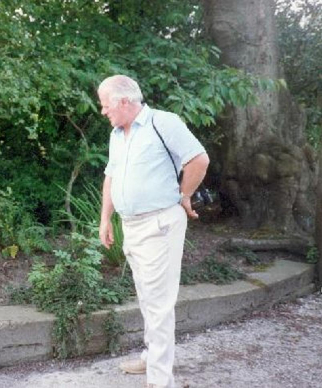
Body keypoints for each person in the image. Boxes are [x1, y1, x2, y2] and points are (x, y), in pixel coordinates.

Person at [97, 75, 209, 388]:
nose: (103, 112)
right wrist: (105, 219)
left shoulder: (164, 122)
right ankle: (151, 359)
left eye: (106, 105)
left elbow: (199, 160)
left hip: (160, 224)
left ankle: (160, 380)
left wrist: (184, 196)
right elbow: (110, 177)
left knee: (158, 303)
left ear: (124, 102)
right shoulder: (118, 134)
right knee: (147, 297)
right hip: (131, 227)